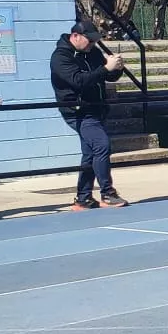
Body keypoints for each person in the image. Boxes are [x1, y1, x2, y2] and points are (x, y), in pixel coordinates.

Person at [47, 19, 125, 210]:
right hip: (77, 111)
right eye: (89, 41)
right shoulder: (61, 57)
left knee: (90, 153)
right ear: (75, 36)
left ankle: (83, 198)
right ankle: (107, 192)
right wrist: (105, 68)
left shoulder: (92, 52)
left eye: (94, 41)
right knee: (101, 145)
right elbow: (78, 81)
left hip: (96, 107)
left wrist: (116, 68)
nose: (92, 45)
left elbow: (106, 76)